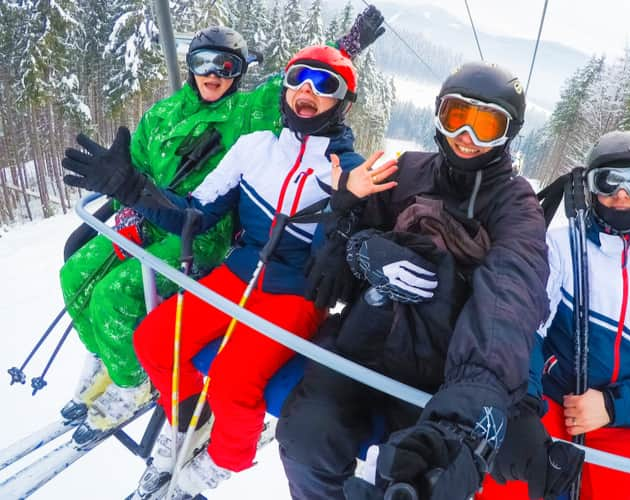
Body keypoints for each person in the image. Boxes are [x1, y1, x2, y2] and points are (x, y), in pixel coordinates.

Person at [63, 27, 390, 500]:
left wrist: (345, 207)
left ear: (344, 103)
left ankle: (224, 459)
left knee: (236, 378)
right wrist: (133, 189)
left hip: (293, 291)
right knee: (154, 339)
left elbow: (345, 264)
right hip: (238, 271)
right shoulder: (254, 149)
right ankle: (186, 421)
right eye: (300, 78)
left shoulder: (351, 174)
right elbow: (194, 216)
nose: (308, 92)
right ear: (285, 87)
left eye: (326, 86)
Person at [276, 61, 564, 500]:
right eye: (457, 117)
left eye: (485, 125)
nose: (466, 138)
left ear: (508, 133)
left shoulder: (516, 207)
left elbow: (508, 300)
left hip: (439, 370)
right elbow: (339, 250)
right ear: (439, 115)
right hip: (362, 342)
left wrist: (468, 410)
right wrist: (360, 246)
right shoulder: (406, 170)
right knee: (304, 439)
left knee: (417, 471)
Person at [57, 26, 281, 443]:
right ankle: (111, 356)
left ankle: (133, 381)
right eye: (202, 63)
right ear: (190, 66)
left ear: (239, 71)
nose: (213, 74)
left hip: (198, 233)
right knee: (74, 275)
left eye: (226, 65)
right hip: (145, 216)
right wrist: (119, 193)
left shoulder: (248, 112)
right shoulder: (163, 113)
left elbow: (293, 86)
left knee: (114, 294)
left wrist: (344, 50)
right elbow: (137, 164)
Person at [478, 130, 630, 499]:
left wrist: (613, 405)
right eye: (608, 180)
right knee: (508, 482)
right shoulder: (559, 246)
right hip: (546, 404)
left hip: (616, 425)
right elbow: (526, 330)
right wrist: (526, 403)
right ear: (590, 187)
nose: (622, 193)